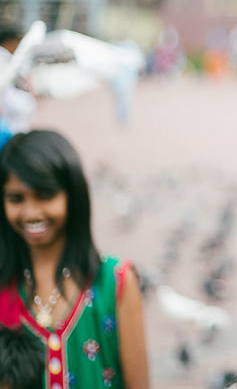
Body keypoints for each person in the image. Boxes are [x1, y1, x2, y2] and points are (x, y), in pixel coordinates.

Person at [0, 130, 149, 388]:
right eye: (16, 199)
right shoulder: (5, 284)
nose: (31, 212)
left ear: (73, 196)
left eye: (45, 196)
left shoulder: (116, 283)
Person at [0, 24, 37, 147]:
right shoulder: (3, 58)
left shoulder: (12, 59)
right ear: (9, 42)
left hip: (15, 119)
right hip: (9, 121)